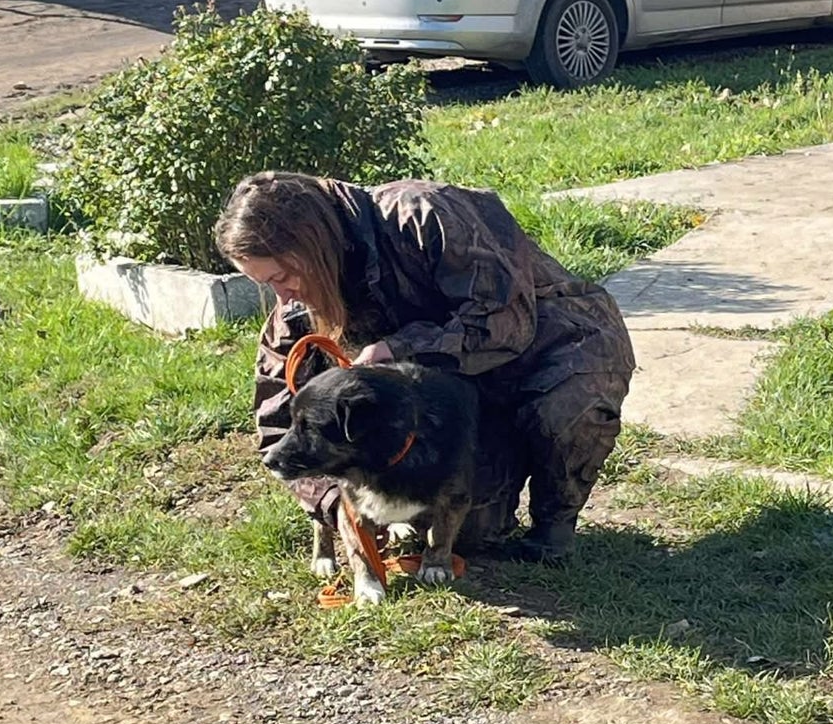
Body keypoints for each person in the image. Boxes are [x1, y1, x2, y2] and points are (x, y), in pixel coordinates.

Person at [214, 170, 635, 563]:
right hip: (451, 398)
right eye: (265, 286)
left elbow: (505, 321)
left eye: (280, 277)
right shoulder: (299, 303)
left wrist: (400, 348)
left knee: (563, 412)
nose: (282, 300)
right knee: (470, 532)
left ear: (313, 244)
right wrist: (333, 501)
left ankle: (553, 527)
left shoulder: (424, 215)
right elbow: (276, 416)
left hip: (555, 347)